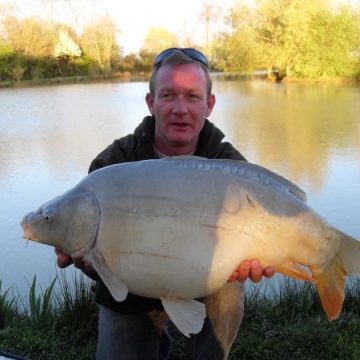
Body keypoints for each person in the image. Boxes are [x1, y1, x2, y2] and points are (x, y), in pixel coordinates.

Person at [55, 47, 275, 360]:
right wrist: (90, 264)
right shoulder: (112, 164)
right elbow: (93, 257)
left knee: (228, 291)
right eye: (168, 95)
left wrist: (255, 261)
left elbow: (257, 234)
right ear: (151, 103)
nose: (180, 109)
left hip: (204, 287)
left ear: (209, 105)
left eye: (193, 96)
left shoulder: (227, 164)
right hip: (129, 299)